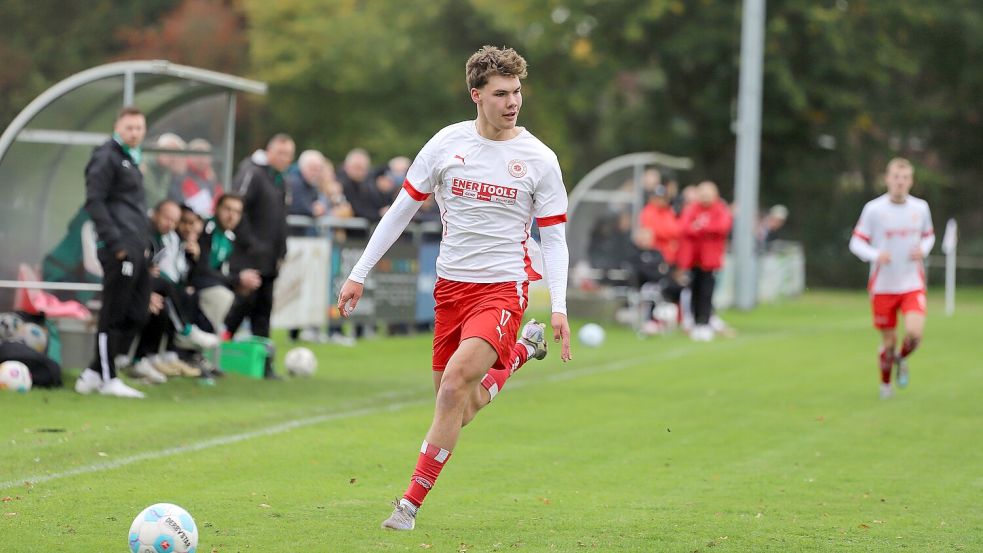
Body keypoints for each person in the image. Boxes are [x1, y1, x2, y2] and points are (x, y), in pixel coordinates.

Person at [337, 45, 572, 531]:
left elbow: (554, 237)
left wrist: (561, 306)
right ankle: (524, 354)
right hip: (451, 290)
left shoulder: (539, 159)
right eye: (502, 93)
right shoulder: (446, 145)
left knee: (451, 388)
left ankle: (408, 506)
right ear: (476, 95)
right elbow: (400, 211)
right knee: (457, 406)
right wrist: (360, 272)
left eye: (518, 92)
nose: (513, 102)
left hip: (504, 288)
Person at [74, 106, 155, 399]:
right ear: (117, 128)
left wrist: (146, 247)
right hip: (119, 248)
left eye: (139, 127)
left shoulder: (131, 160)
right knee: (114, 312)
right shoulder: (106, 156)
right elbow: (94, 202)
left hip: (137, 247)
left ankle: (94, 371)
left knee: (138, 311)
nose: (135, 132)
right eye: (129, 127)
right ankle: (108, 378)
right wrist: (115, 244)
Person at [849, 158, 934, 399]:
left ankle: (900, 358)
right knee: (888, 342)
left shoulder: (920, 208)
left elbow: (929, 236)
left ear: (911, 181)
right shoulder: (874, 209)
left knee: (915, 334)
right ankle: (885, 386)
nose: (900, 182)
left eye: (905, 178)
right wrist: (875, 254)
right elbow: (856, 242)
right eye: (896, 177)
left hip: (912, 283)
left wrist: (924, 249)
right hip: (883, 286)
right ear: (887, 179)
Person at [224, 134, 295, 377]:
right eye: (281, 153)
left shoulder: (280, 179)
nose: (285, 159)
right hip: (248, 257)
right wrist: (251, 244)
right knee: (239, 308)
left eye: (289, 155)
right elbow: (236, 208)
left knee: (263, 313)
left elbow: (280, 219)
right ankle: (215, 355)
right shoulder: (252, 172)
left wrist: (281, 250)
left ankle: (265, 365)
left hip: (269, 260)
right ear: (269, 151)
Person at [676, 181, 732, 342]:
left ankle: (705, 323)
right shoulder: (692, 209)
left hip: (710, 260)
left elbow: (722, 227)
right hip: (693, 259)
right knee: (694, 291)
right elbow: (684, 228)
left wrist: (701, 228)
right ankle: (695, 322)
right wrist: (701, 229)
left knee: (707, 292)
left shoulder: (719, 209)